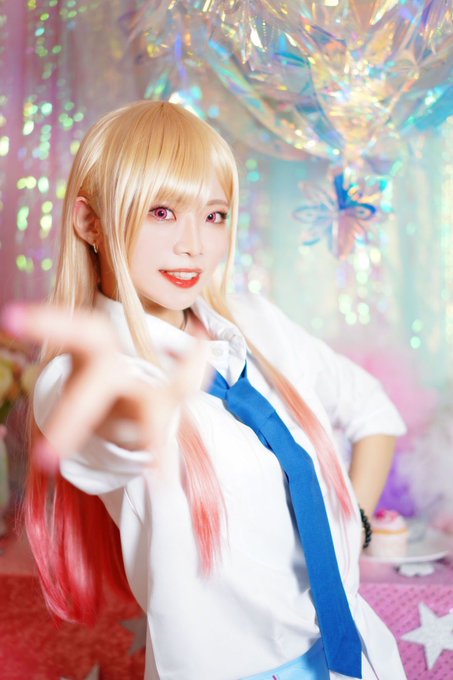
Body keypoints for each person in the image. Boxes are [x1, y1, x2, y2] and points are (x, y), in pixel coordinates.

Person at [2, 101, 407, 680]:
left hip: (360, 654)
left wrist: (355, 524)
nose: (194, 244)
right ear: (90, 223)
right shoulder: (74, 377)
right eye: (162, 212)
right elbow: (117, 433)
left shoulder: (257, 322)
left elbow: (373, 409)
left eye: (214, 215)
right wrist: (132, 412)